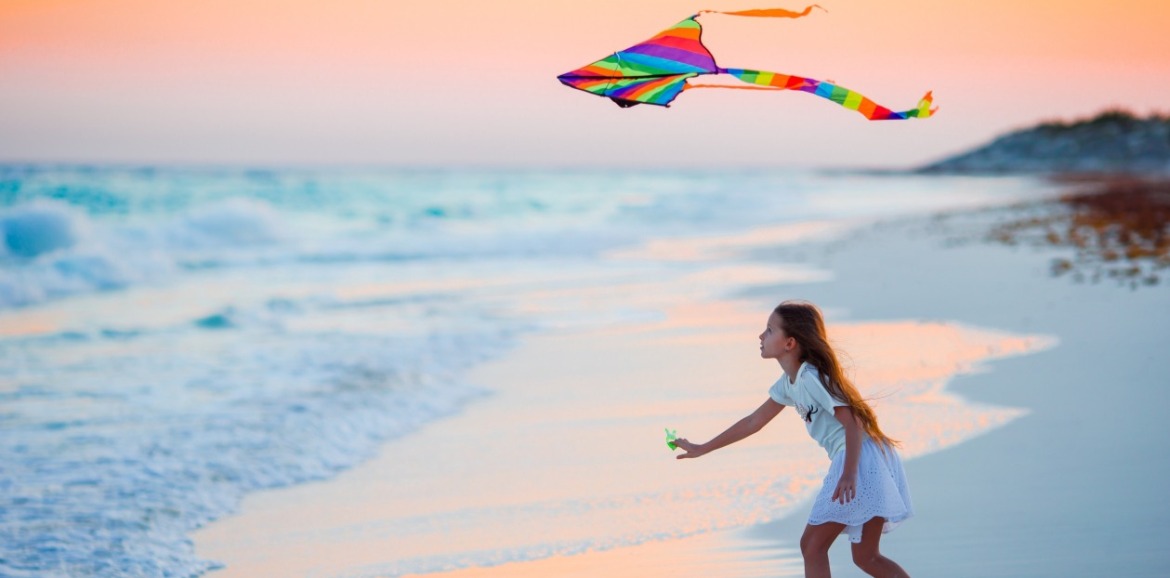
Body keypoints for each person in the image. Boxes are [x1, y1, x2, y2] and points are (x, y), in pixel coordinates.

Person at [673, 300, 913, 578]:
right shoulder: (790, 382)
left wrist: (849, 474)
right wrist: (703, 448)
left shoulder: (811, 377)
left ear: (790, 343)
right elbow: (754, 421)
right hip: (868, 457)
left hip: (858, 458)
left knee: (812, 546)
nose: (761, 336)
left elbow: (854, 423)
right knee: (866, 557)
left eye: (769, 330)